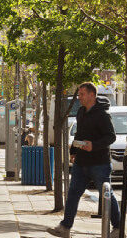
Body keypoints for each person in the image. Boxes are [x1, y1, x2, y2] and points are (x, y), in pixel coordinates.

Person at [47, 82, 120, 238]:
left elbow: (111, 136)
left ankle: (118, 228)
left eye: (82, 94)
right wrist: (74, 150)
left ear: (92, 95)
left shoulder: (103, 114)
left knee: (106, 195)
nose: (79, 97)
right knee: (73, 194)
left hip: (99, 162)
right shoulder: (81, 112)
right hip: (81, 162)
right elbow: (79, 133)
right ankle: (65, 227)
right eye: (79, 94)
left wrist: (94, 146)